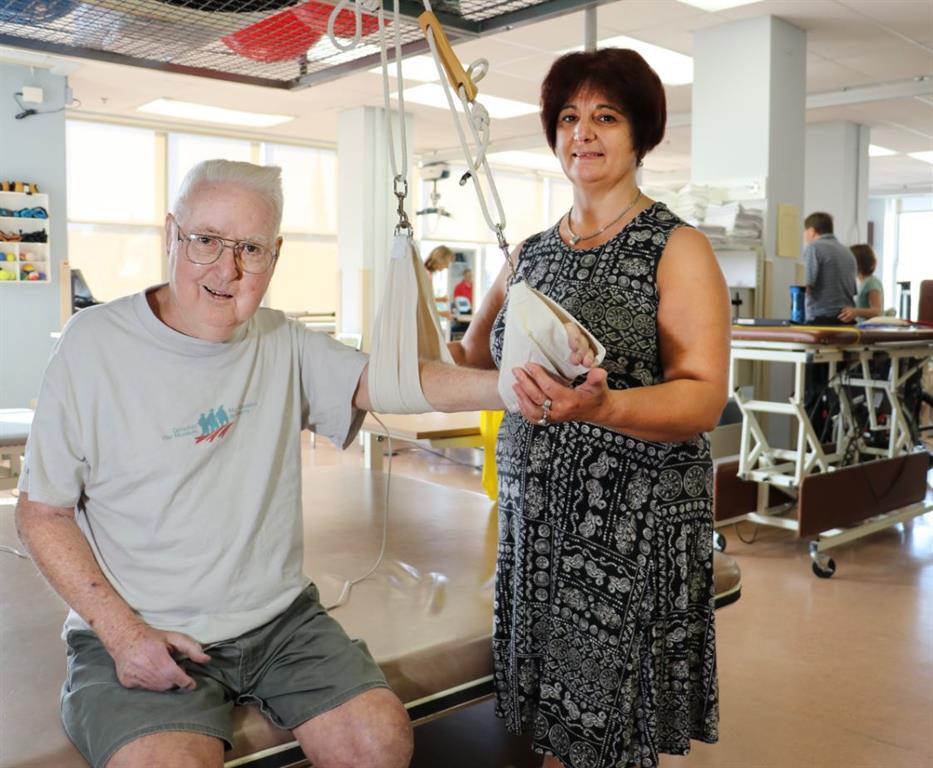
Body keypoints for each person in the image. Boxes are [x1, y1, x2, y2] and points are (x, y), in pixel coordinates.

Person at [14, 159, 506, 768]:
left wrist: (513, 388)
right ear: (171, 235)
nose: (228, 269)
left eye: (250, 248)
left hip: (279, 623)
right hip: (143, 624)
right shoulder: (92, 345)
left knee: (378, 740)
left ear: (275, 257)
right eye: (206, 242)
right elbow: (41, 514)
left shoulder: (282, 341)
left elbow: (396, 383)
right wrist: (123, 634)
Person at [448, 49, 729, 768]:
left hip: (623, 536)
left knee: (597, 740)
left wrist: (597, 409)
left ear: (641, 134)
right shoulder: (530, 255)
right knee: (551, 730)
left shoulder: (676, 248)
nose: (584, 133)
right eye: (568, 117)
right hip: (535, 525)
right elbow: (476, 356)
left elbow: (702, 396)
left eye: (605, 116)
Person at [802, 211, 857, 324]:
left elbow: (807, 286)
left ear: (812, 231)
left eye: (805, 231)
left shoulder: (814, 248)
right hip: (847, 320)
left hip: (821, 319)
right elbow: (852, 290)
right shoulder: (847, 251)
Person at [838, 243, 884, 322]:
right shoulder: (864, 283)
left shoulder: (871, 282)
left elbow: (877, 311)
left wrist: (855, 312)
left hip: (870, 330)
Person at [423, 244, 454, 319]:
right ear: (440, 259)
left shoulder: (427, 273)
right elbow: (422, 303)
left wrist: (440, 299)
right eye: (447, 262)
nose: (446, 267)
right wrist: (441, 313)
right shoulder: (425, 274)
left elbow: (426, 298)